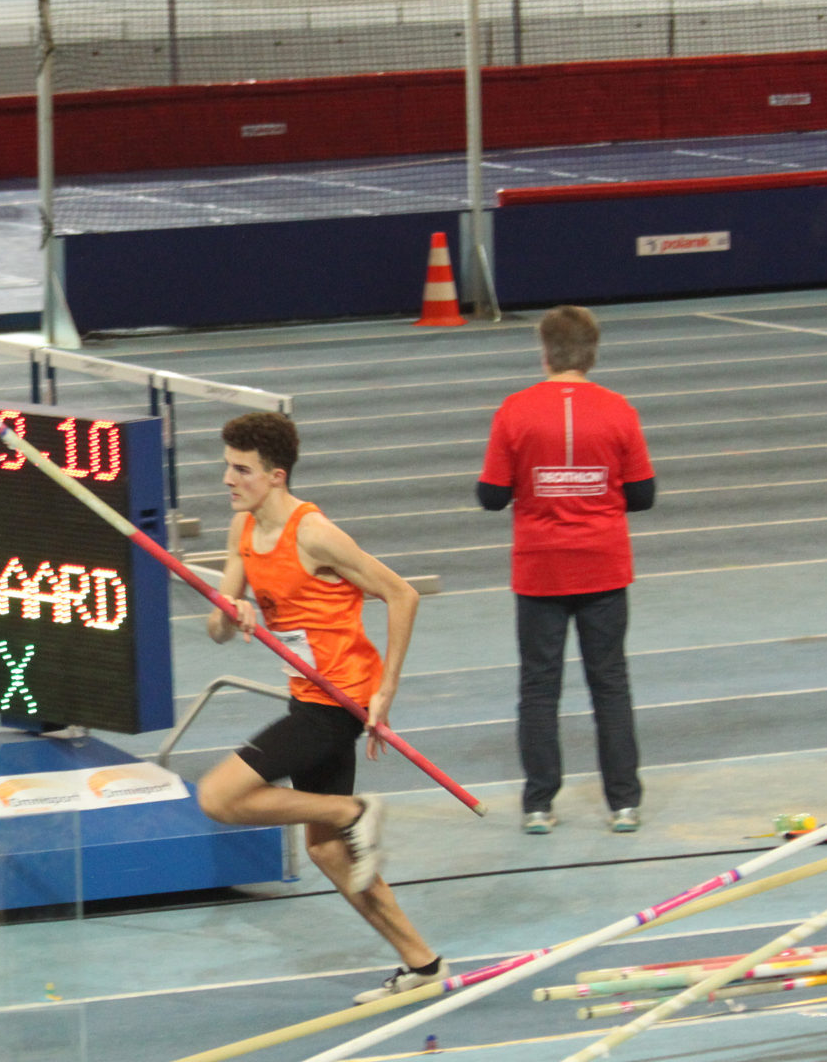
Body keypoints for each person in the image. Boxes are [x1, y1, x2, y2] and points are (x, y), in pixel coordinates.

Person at [200, 411, 446, 1005]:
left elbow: (401, 593)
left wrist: (387, 689)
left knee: (217, 797)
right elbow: (216, 625)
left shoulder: (313, 533)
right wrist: (231, 615)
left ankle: (353, 808)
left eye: (241, 470)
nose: (227, 479)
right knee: (327, 850)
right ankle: (421, 962)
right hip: (306, 692)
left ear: (276, 476)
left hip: (339, 700)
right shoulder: (242, 528)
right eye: (226, 466)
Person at [478, 306, 654, 835]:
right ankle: (623, 803)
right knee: (611, 685)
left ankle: (539, 804)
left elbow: (491, 496)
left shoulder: (515, 410)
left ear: (545, 352)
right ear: (592, 352)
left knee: (538, 687)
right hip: (603, 566)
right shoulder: (619, 410)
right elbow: (643, 495)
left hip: (540, 571)